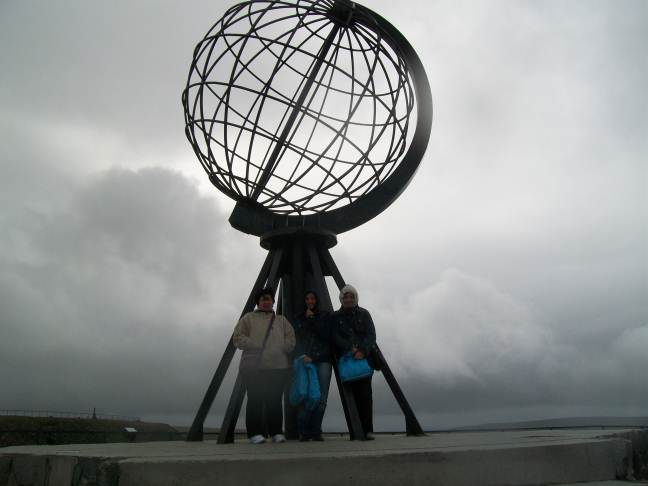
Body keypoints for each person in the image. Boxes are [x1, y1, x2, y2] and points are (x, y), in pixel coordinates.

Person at [233, 287, 295, 444]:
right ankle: (255, 433)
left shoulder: (281, 320)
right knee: (255, 398)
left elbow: (291, 338)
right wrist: (254, 344)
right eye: (263, 299)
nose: (266, 302)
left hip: (278, 366)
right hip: (255, 367)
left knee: (274, 400)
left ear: (273, 302)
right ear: (258, 303)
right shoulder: (248, 318)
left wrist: (284, 347)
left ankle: (276, 432)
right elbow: (238, 337)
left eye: (269, 299)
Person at [332, 284, 376, 440]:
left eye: (351, 297)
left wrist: (362, 351)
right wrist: (350, 349)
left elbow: (371, 335)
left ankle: (368, 430)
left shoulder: (364, 314)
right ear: (342, 299)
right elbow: (334, 336)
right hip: (346, 360)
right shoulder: (335, 317)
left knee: (365, 395)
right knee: (351, 396)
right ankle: (356, 431)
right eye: (346, 297)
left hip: (363, 360)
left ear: (355, 298)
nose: (349, 300)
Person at [291, 290, 332, 441]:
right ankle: (304, 431)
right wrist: (302, 355)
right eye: (307, 299)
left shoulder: (325, 316)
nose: (310, 301)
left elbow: (326, 335)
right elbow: (296, 339)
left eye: (313, 299)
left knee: (321, 397)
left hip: (323, 359)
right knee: (304, 395)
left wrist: (312, 319)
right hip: (306, 360)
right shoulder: (298, 318)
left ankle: (316, 430)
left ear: (317, 300)